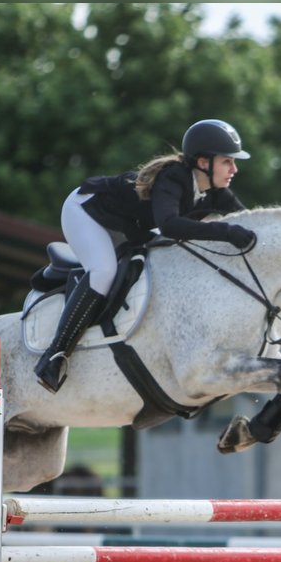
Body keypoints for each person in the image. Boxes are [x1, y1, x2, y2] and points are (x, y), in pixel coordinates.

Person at [34, 118, 258, 393]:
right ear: (203, 162)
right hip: (87, 211)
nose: (234, 169)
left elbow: (250, 223)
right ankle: (55, 356)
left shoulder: (216, 193)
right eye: (227, 161)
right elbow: (170, 225)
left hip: (126, 225)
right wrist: (226, 231)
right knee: (104, 272)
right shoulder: (174, 177)